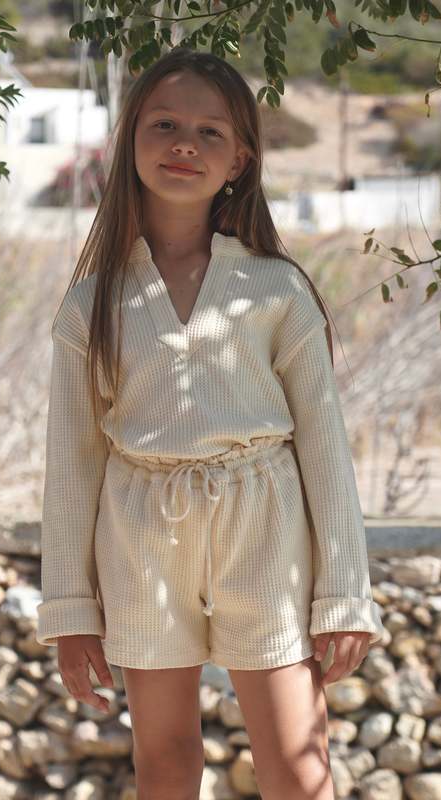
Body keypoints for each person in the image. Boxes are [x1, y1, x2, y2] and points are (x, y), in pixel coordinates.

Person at [36, 47, 386, 800]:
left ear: (241, 160)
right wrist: (70, 611)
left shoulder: (274, 289)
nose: (184, 144)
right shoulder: (92, 303)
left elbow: (325, 448)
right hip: (140, 536)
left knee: (297, 762)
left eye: (209, 132)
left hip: (263, 531)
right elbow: (72, 464)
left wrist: (344, 595)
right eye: (163, 124)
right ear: (130, 140)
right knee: (164, 761)